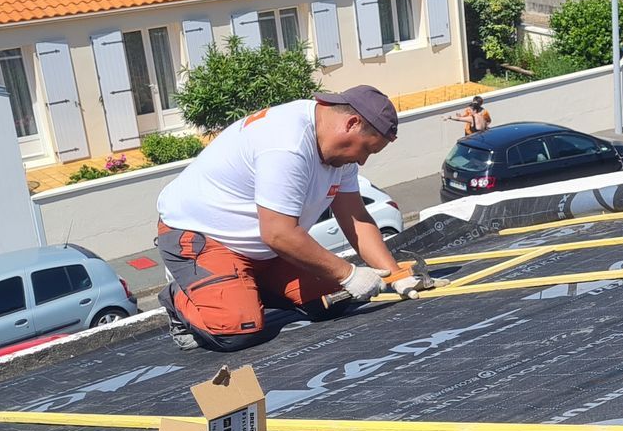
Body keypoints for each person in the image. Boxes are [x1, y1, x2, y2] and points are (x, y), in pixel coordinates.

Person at [154, 86, 431, 352]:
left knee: (332, 300)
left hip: (265, 247)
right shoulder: (287, 142)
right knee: (238, 329)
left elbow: (356, 217)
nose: (362, 162)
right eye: (366, 150)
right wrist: (349, 274)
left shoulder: (339, 153)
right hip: (204, 236)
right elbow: (279, 234)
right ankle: (180, 297)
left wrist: (395, 275)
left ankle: (243, 286)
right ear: (352, 123)